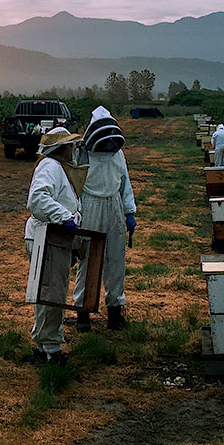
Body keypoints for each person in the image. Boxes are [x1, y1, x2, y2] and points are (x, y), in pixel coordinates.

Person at [25, 127, 86, 363]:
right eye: (70, 146)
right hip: (47, 238)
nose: (73, 150)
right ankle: (51, 350)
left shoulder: (57, 168)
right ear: (62, 148)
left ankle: (43, 346)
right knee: (52, 294)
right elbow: (37, 199)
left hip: (52, 238)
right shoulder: (50, 166)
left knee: (47, 293)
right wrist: (65, 217)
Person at [73, 106, 136, 332]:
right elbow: (75, 185)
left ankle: (115, 312)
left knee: (115, 260)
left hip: (114, 205)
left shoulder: (118, 153)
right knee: (88, 260)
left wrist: (129, 212)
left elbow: (124, 183)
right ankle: (82, 312)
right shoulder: (81, 152)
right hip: (90, 205)